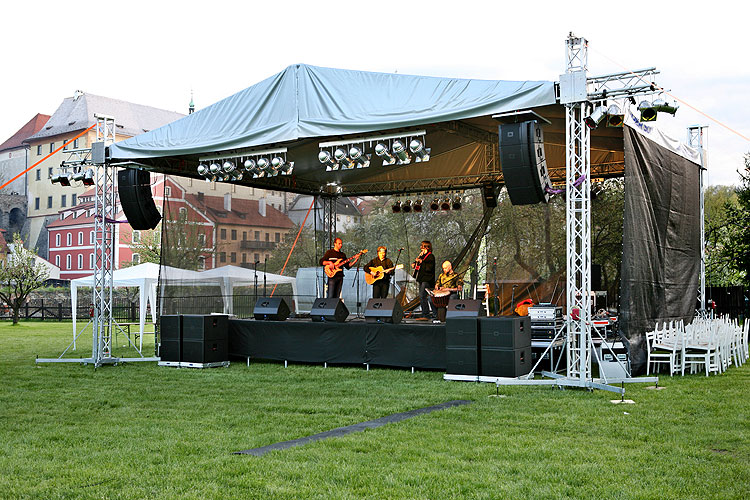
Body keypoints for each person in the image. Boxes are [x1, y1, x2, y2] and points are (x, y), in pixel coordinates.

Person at [412, 240, 435, 319]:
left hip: (427, 279)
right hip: (421, 279)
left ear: (427, 248)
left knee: (422, 296)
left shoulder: (430, 256)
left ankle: (426, 314)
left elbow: (429, 268)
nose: (421, 248)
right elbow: (418, 265)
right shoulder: (422, 256)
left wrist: (422, 262)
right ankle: (424, 313)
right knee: (421, 297)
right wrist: (414, 263)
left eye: (423, 246)